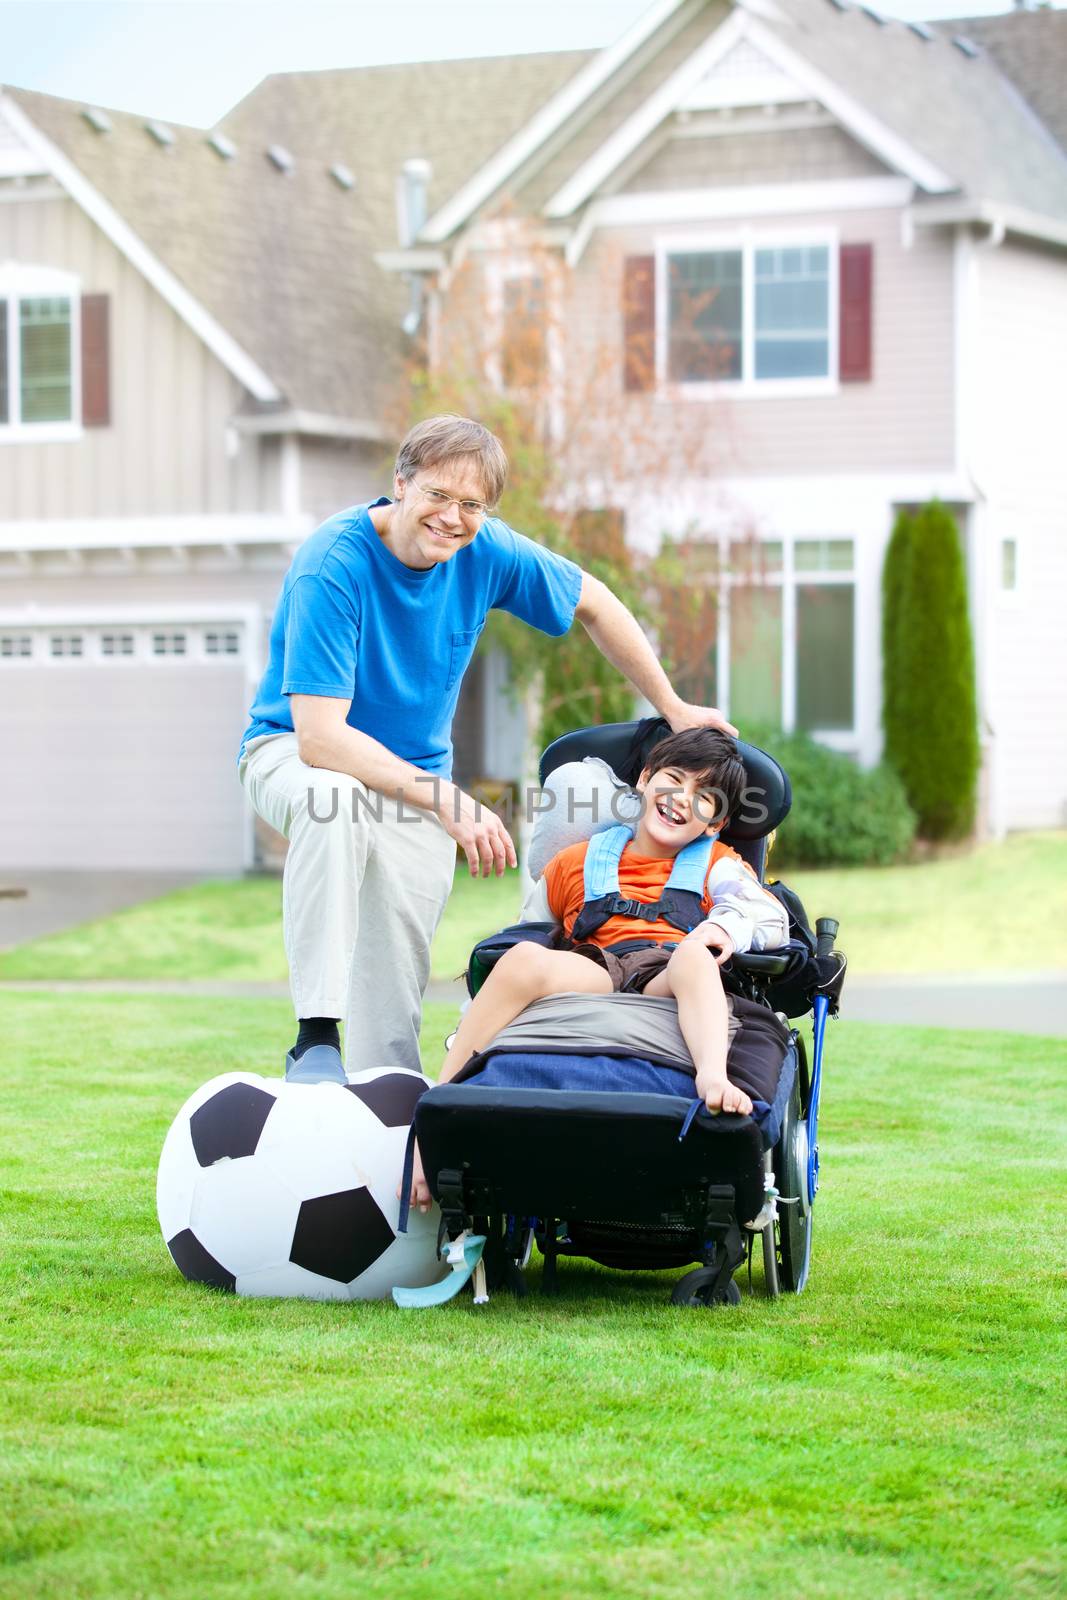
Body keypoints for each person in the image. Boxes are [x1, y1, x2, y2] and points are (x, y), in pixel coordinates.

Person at [237, 415, 737, 1077]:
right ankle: (316, 1037)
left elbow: (595, 603)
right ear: (400, 484)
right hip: (293, 754)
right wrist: (450, 801)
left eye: (471, 505)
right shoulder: (332, 565)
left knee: (394, 988)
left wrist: (671, 706)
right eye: (438, 495)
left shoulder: (486, 551)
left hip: (412, 777)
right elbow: (322, 739)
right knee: (337, 803)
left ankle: (399, 1135)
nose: (452, 517)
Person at [404, 727, 789, 1211]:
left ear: (716, 823)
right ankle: (441, 1101)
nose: (681, 799)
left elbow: (771, 917)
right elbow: (528, 933)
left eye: (704, 797)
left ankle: (712, 1076)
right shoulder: (574, 863)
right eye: (672, 779)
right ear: (644, 781)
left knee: (694, 955)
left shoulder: (717, 862)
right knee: (523, 958)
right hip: (596, 968)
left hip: (668, 972)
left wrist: (725, 929)